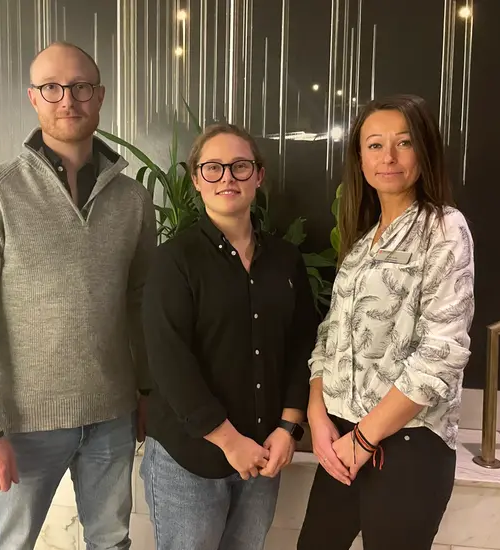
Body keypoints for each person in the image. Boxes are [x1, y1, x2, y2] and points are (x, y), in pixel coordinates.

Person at [0, 41, 155, 550]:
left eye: (80, 86)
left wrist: (147, 391)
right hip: (23, 424)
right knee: (10, 545)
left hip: (112, 415)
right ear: (33, 98)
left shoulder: (133, 199)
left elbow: (141, 304)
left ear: (99, 96)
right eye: (52, 88)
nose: (68, 100)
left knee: (112, 542)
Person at [297, 95, 475, 550]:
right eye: (374, 145)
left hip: (408, 444)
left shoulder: (444, 227)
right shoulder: (362, 243)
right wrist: (317, 413)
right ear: (360, 158)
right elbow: (329, 335)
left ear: (424, 151)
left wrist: (363, 439)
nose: (388, 157)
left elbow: (442, 353)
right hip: (341, 434)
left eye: (404, 143)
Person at [140, 123, 318, 550]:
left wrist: (288, 428)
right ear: (196, 179)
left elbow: (303, 346)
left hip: (263, 453)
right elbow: (168, 361)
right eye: (213, 168)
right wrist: (228, 441)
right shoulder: (174, 260)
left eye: (240, 166)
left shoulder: (285, 260)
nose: (227, 178)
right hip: (190, 459)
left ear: (258, 175)